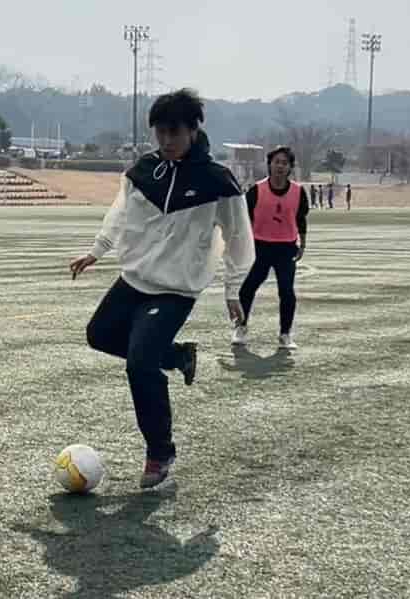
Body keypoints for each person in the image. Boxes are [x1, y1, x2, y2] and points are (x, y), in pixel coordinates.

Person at [69, 89, 254, 489]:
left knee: (139, 363)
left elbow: (239, 237)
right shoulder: (143, 171)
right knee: (99, 334)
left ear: (193, 130)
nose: (166, 140)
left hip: (175, 290)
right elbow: (119, 214)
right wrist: (97, 250)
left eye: (174, 132)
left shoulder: (218, 182)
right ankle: (177, 356)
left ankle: (160, 453)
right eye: (160, 132)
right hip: (134, 279)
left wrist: (233, 290)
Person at [231, 146, 309, 350]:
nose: (280, 166)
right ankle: (240, 328)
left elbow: (301, 219)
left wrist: (302, 243)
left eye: (285, 163)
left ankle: (285, 334)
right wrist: (242, 244)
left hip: (286, 247)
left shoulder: (298, 192)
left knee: (287, 291)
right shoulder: (256, 190)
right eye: (276, 162)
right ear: (269, 165)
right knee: (247, 288)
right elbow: (243, 220)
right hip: (259, 247)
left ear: (290, 167)